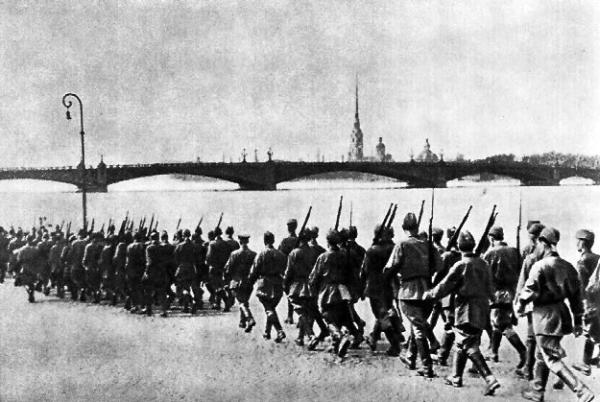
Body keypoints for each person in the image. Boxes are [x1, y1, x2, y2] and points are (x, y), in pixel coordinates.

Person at [519, 227, 594, 402]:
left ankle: (581, 390)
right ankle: (537, 391)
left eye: (538, 244)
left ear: (543, 243)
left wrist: (520, 307)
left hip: (544, 317)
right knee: (542, 355)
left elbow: (527, 292)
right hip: (561, 314)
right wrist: (577, 321)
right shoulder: (567, 266)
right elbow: (576, 297)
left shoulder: (539, 266)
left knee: (550, 358)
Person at [424, 231, 501, 396]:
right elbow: (491, 288)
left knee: (468, 345)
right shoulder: (484, 264)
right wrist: (493, 300)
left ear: (459, 247)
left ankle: (489, 378)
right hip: (482, 308)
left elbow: (445, 285)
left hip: (466, 309)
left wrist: (430, 294)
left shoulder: (461, 265)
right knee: (463, 342)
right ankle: (456, 376)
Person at [384, 212, 441, 378]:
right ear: (417, 227)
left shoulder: (402, 244)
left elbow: (390, 267)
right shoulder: (428, 244)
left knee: (417, 328)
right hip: (427, 290)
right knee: (418, 324)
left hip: (409, 291)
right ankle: (410, 357)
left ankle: (427, 367)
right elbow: (439, 266)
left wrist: (388, 279)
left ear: (403, 228)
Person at [309, 230, 360, 358]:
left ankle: (339, 336)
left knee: (328, 318)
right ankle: (338, 344)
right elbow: (352, 275)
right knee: (342, 316)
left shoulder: (323, 257)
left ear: (327, 242)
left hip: (328, 291)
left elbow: (314, 277)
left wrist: (313, 290)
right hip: (343, 291)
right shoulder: (345, 256)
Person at [483, 226, 527, 369]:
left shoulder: (490, 253)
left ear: (491, 238)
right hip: (511, 292)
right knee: (498, 322)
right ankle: (494, 352)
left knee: (503, 325)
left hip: (497, 293)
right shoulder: (514, 251)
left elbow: (485, 275)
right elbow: (521, 270)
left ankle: (523, 352)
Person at [360, 224, 403, 356]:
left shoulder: (372, 250)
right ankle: (374, 338)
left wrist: (361, 286)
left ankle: (395, 344)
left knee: (381, 316)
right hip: (388, 286)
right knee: (383, 312)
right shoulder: (393, 248)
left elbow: (365, 271)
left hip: (374, 287)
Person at [249, 231, 287, 343]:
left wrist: (250, 283)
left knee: (268, 309)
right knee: (271, 309)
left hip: (264, 285)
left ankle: (279, 331)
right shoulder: (281, 255)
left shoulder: (261, 254)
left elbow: (254, 271)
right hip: (278, 285)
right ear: (273, 240)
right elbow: (286, 269)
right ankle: (267, 332)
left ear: (264, 241)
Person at [572, 229, 600, 377]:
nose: (576, 243)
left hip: (589, 300)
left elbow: (581, 284)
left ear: (583, 242)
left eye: (578, 240)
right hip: (598, 300)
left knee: (590, 331)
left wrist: (581, 302)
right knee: (596, 330)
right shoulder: (597, 258)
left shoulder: (583, 260)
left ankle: (585, 363)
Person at [283, 229, 317, 345]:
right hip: (310, 285)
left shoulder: (294, 253)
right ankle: (300, 337)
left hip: (297, 286)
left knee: (300, 312)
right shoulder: (313, 251)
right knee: (305, 312)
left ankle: (311, 335)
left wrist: (285, 284)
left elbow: (288, 272)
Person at [224, 234, 257, 332]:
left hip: (236, 281)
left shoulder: (234, 254)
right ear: (248, 241)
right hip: (248, 282)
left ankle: (250, 319)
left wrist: (227, 280)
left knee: (241, 302)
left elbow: (228, 269)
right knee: (244, 301)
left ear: (239, 241)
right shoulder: (253, 254)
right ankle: (242, 322)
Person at [142, 231, 169, 317]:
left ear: (151, 238)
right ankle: (164, 311)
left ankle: (148, 310)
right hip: (161, 271)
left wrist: (146, 272)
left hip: (151, 272)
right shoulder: (163, 247)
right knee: (162, 292)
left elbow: (149, 262)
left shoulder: (149, 248)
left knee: (148, 291)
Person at [174, 229, 201, 314]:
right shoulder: (194, 246)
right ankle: (192, 303)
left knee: (183, 287)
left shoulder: (179, 246)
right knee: (191, 286)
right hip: (191, 268)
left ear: (183, 235)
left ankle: (186, 306)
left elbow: (175, 258)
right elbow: (197, 258)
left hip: (182, 267)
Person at [205, 227, 232, 310]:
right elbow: (229, 256)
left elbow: (208, 257)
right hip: (222, 267)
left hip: (213, 268)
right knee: (219, 285)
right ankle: (217, 303)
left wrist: (207, 263)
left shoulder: (212, 244)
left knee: (216, 286)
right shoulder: (226, 244)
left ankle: (226, 302)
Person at [279, 218, 298, 325]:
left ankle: (290, 316)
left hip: (287, 270)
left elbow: (280, 255)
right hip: (298, 271)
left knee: (289, 294)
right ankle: (292, 316)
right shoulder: (299, 240)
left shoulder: (285, 241)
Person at [125, 231, 146, 313]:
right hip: (140, 269)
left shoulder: (129, 246)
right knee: (141, 288)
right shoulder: (143, 246)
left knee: (133, 288)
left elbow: (128, 260)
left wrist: (127, 270)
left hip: (131, 270)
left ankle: (135, 305)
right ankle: (142, 305)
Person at [16, 235, 41, 303]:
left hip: (25, 267)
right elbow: (38, 260)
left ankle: (29, 292)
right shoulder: (35, 249)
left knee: (25, 282)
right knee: (32, 282)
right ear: (32, 240)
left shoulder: (22, 249)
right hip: (33, 268)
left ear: (26, 240)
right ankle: (31, 293)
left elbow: (19, 260)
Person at [82, 232, 105, 303]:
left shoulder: (89, 246)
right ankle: (97, 296)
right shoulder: (101, 247)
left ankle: (93, 296)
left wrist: (84, 265)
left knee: (90, 283)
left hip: (90, 267)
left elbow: (85, 257)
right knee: (97, 283)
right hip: (98, 267)